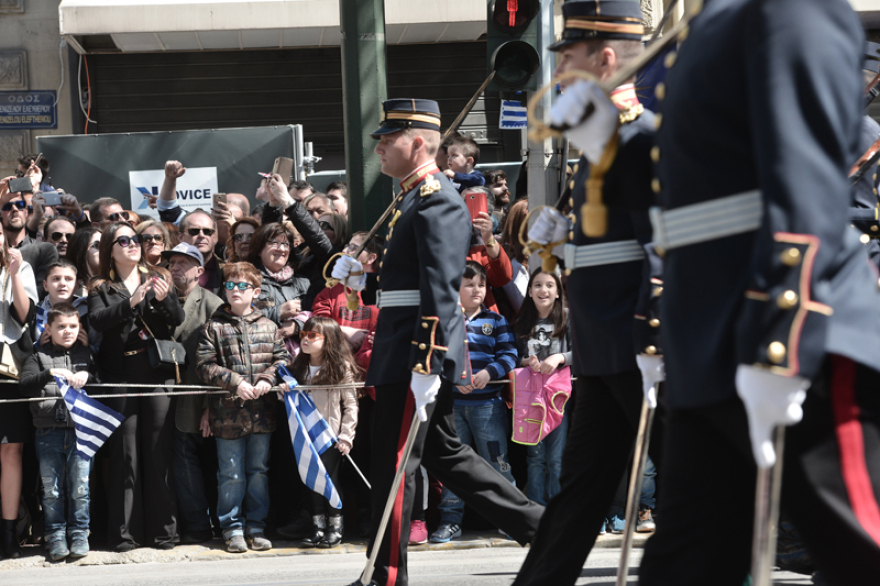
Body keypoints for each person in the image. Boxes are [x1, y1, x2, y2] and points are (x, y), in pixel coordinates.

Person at [629, 0, 880, 584]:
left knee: (861, 547)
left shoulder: (787, 10)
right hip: (710, 337)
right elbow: (694, 181)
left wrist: (783, 341)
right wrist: (610, 142)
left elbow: (806, 184)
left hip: (792, 337)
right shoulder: (714, 20)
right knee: (683, 565)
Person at [333, 98, 543, 586]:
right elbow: (409, 282)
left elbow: (441, 290)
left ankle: (384, 576)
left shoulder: (437, 200)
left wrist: (427, 362)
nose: (379, 148)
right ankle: (543, 528)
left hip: (414, 354)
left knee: (395, 465)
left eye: (388, 139)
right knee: (447, 455)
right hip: (404, 348)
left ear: (417, 143)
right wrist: (361, 279)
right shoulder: (414, 197)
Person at [512, 2, 666, 584]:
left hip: (637, 343)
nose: (557, 75)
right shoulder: (598, 145)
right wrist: (565, 236)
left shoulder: (641, 138)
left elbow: (662, 250)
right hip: (602, 347)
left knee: (692, 486)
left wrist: (654, 339)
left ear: (604, 60)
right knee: (579, 489)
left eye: (568, 58)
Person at [88, 221, 185, 551]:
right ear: (110, 250)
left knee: (158, 451)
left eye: (135, 239)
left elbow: (177, 319)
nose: (133, 244)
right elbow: (97, 321)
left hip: (157, 370)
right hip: (120, 373)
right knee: (124, 454)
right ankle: (124, 534)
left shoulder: (158, 276)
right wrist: (130, 303)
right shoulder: (101, 287)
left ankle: (164, 532)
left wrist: (164, 299)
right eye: (124, 240)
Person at [197, 262, 287, 554]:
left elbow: (283, 359)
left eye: (242, 286)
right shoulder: (214, 326)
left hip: (263, 414)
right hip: (227, 415)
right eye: (230, 285)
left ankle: (256, 526)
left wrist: (267, 378)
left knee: (258, 471)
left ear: (256, 292)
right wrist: (235, 382)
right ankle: (232, 528)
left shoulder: (269, 326)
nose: (235, 290)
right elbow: (204, 365)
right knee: (230, 473)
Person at [431, 261, 519, 543]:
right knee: (454, 465)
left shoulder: (496, 321)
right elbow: (435, 357)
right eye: (469, 285)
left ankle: (510, 518)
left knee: (497, 462)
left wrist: (489, 373)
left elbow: (510, 355)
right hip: (452, 407)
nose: (476, 290)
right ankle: (450, 520)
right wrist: (453, 378)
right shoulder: (446, 321)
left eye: (481, 285)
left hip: (488, 406)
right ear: (456, 289)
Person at [19, 302, 97, 561]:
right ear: (48, 329)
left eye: (73, 326)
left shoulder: (87, 355)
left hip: (81, 432)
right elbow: (25, 385)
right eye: (61, 326)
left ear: (80, 328)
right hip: (47, 432)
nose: (67, 331)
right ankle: (55, 535)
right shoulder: (37, 357)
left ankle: (79, 533)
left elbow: (102, 382)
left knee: (80, 487)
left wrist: (88, 376)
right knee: (51, 489)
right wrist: (50, 373)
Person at [164, 243, 224, 544]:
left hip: (199, 397)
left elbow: (221, 359)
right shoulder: (159, 298)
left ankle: (213, 524)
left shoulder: (213, 304)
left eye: (183, 262)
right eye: (172, 262)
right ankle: (195, 525)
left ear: (200, 271)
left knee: (207, 463)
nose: (175, 267)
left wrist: (209, 406)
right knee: (180, 461)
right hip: (165, 396)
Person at [289, 316, 360, 548]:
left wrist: (346, 436)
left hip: (330, 436)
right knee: (311, 480)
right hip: (305, 435)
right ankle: (318, 527)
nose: (305, 340)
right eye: (303, 335)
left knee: (329, 480)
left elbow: (351, 405)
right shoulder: (298, 367)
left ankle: (336, 527)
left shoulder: (341, 367)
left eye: (312, 336)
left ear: (328, 339)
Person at [513, 269, 572, 506]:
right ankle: (536, 509)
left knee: (556, 458)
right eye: (537, 285)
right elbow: (512, 356)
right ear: (529, 291)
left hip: (558, 398)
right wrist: (525, 362)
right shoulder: (521, 322)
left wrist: (559, 357)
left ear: (558, 292)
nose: (543, 290)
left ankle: (556, 509)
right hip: (530, 397)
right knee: (535, 457)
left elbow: (582, 351)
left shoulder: (567, 318)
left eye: (549, 285)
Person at [0, 221, 37, 560]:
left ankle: (9, 533)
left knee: (11, 451)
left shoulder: (20, 267)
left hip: (8, 369)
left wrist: (13, 275)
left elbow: (24, 317)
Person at [312, 231, 381, 349]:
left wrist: (380, 339)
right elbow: (317, 324)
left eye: (353, 248)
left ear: (370, 258)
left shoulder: (384, 290)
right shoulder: (331, 290)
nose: (344, 251)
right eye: (346, 246)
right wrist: (343, 331)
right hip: (338, 357)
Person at [65, 228, 101, 297]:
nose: (104, 249)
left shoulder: (119, 285)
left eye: (106, 245)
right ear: (81, 250)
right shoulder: (66, 287)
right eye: (97, 245)